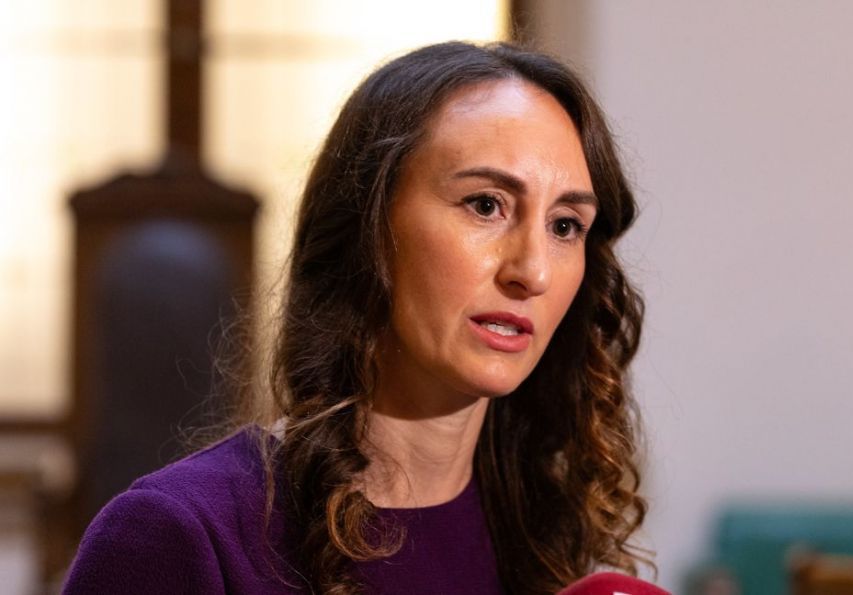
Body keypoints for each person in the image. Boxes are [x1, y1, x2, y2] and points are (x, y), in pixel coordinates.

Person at [62, 41, 660, 594]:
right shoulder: (177, 538)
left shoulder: (546, 535)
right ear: (367, 227)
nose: (532, 271)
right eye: (485, 205)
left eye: (565, 226)